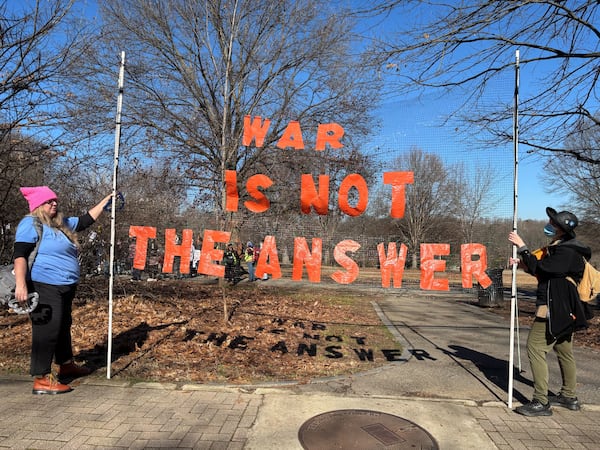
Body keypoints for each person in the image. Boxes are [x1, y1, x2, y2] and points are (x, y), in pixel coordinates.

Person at [13, 186, 113, 395]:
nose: (54, 204)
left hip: (65, 286)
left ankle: (66, 364)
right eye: (49, 201)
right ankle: (41, 378)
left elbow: (86, 220)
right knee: (47, 329)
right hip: (43, 285)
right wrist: (21, 285)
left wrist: (105, 202)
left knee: (63, 325)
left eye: (55, 200)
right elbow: (20, 254)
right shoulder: (31, 224)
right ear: (39, 205)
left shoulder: (61, 224)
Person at [508, 207, 590, 416]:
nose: (549, 226)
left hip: (554, 306)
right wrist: (523, 261)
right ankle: (568, 396)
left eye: (553, 224)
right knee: (564, 350)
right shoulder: (565, 248)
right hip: (567, 307)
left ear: (561, 229)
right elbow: (542, 266)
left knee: (535, 347)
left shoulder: (565, 250)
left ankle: (541, 401)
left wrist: (522, 247)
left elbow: (543, 270)